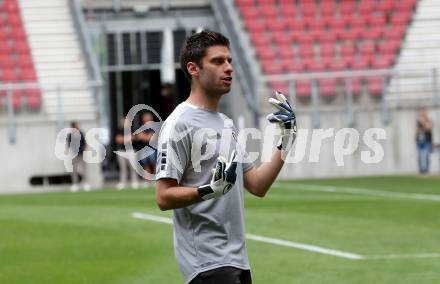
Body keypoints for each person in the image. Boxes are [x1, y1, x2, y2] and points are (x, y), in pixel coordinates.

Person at [155, 30, 297, 284]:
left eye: (229, 61)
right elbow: (163, 197)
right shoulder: (179, 123)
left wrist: (286, 139)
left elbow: (257, 184)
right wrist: (207, 190)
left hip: (236, 261)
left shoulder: (225, 124)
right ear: (193, 69)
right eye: (218, 61)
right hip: (208, 264)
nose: (229, 68)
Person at [115, 116, 139, 189]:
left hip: (131, 151)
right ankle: (123, 182)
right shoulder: (119, 130)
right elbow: (118, 140)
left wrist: (126, 139)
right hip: (122, 151)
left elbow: (135, 138)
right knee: (123, 168)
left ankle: (135, 181)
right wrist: (127, 139)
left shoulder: (133, 130)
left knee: (133, 167)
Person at [66, 121, 91, 192]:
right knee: (74, 170)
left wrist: (85, 150)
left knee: (84, 169)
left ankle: (85, 183)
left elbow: (85, 143)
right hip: (74, 154)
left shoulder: (81, 133)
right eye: (76, 125)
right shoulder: (70, 135)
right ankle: (75, 184)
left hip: (81, 153)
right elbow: (69, 145)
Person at [137, 112, 157, 181]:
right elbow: (139, 136)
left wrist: (145, 137)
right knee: (146, 164)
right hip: (144, 149)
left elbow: (153, 137)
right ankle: (147, 178)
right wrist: (147, 137)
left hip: (152, 149)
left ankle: (155, 177)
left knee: (154, 163)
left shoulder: (154, 127)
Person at [416, 108, 433, 174]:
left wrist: (423, 123)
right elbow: (417, 131)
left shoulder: (428, 120)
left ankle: (426, 169)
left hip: (427, 140)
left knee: (426, 155)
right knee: (420, 155)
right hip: (419, 141)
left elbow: (428, 128)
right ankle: (421, 170)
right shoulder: (418, 122)